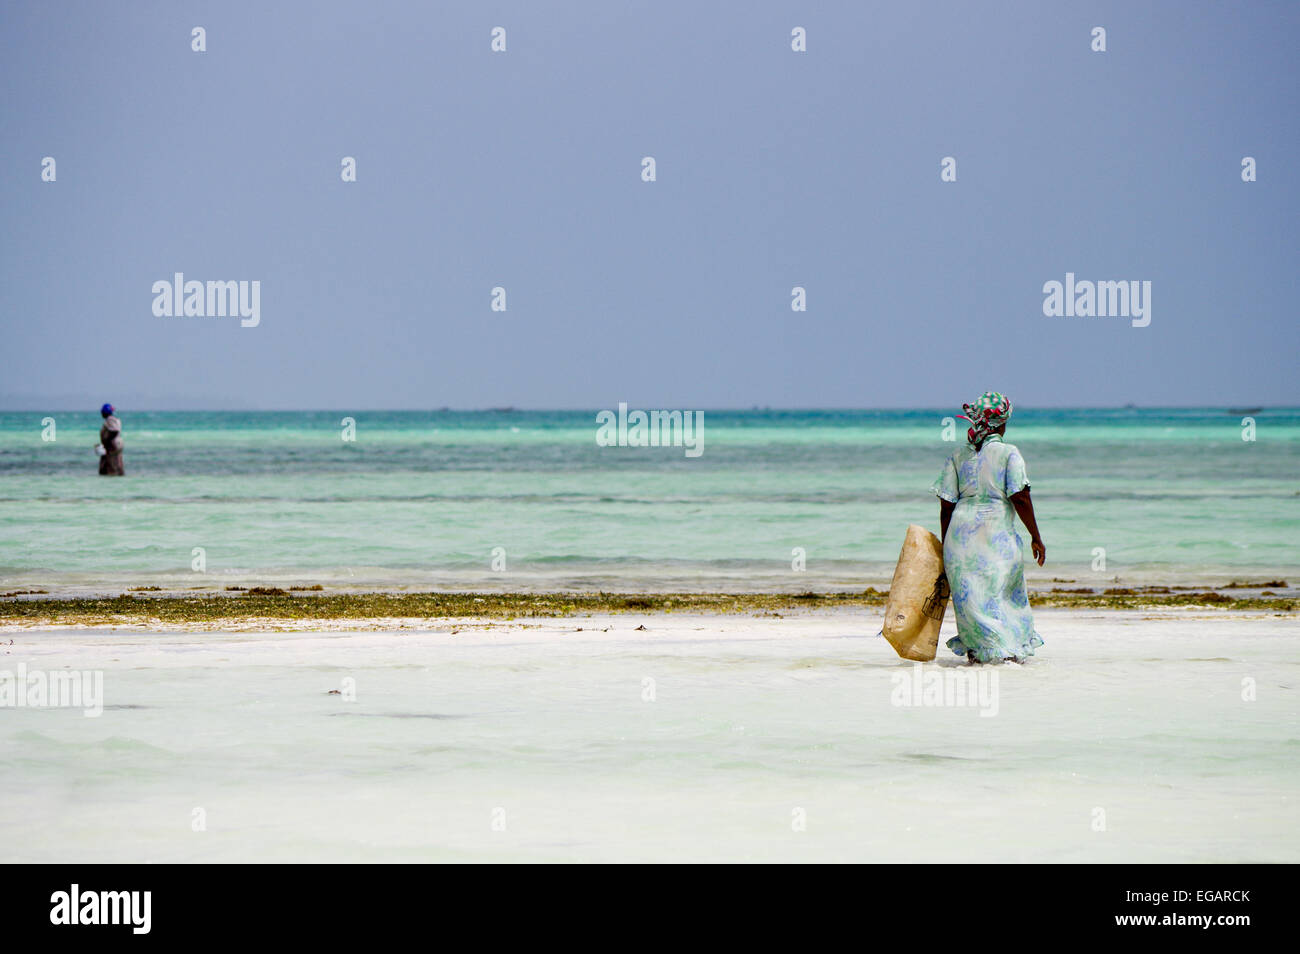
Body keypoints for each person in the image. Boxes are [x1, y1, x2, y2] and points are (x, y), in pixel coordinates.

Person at [931, 392, 1043, 663]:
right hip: (996, 536)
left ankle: (980, 656)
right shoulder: (1008, 453)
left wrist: (947, 548)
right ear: (1001, 423)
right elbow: (1019, 496)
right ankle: (1006, 655)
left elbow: (946, 506)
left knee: (972, 600)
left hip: (960, 538)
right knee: (1001, 594)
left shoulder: (958, 457)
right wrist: (1036, 536)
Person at [97, 403, 124, 475]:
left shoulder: (110, 420)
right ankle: (119, 475)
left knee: (112, 464)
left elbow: (114, 430)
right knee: (118, 462)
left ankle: (113, 475)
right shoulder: (116, 420)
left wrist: (107, 440)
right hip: (118, 444)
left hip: (112, 445)